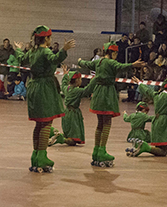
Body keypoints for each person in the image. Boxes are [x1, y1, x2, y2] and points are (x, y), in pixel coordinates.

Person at [14, 26, 75, 172]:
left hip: (33, 86)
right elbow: (55, 59)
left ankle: (35, 156)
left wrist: (18, 49)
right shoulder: (45, 51)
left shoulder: (32, 51)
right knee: (47, 123)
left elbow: (22, 59)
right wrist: (64, 50)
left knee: (39, 124)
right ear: (47, 39)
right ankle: (42, 157)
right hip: (44, 88)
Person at [78, 42, 145, 167]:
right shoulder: (110, 62)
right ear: (112, 53)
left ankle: (96, 151)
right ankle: (102, 151)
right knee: (107, 122)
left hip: (98, 93)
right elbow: (121, 66)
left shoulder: (98, 62)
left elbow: (86, 64)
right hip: (107, 94)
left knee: (100, 124)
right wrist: (133, 64)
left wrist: (80, 61)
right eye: (115, 53)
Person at [126, 78, 167, 157]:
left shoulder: (156, 95)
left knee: (159, 147)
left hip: (156, 121)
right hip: (164, 122)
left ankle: (139, 149)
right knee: (164, 151)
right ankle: (145, 147)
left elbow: (147, 90)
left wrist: (140, 83)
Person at [51, 70, 94, 146]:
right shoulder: (77, 91)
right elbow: (87, 90)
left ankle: (60, 137)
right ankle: (60, 139)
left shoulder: (66, 89)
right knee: (73, 140)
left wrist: (65, 75)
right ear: (77, 80)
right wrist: (94, 80)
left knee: (69, 134)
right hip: (73, 115)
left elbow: (63, 84)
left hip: (66, 113)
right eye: (80, 79)